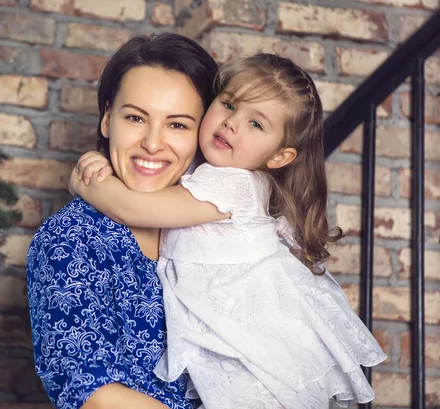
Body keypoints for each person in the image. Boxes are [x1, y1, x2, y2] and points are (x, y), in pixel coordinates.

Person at [69, 53, 387, 408]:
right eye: (229, 105)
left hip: (255, 351)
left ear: (279, 157)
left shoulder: (236, 186)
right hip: (229, 346)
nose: (232, 123)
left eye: (256, 124)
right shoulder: (199, 175)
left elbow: (131, 207)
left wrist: (86, 181)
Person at [26, 32, 219, 409]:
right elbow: (92, 393)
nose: (152, 143)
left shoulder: (213, 229)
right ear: (106, 119)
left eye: (177, 125)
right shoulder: (72, 237)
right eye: (135, 117)